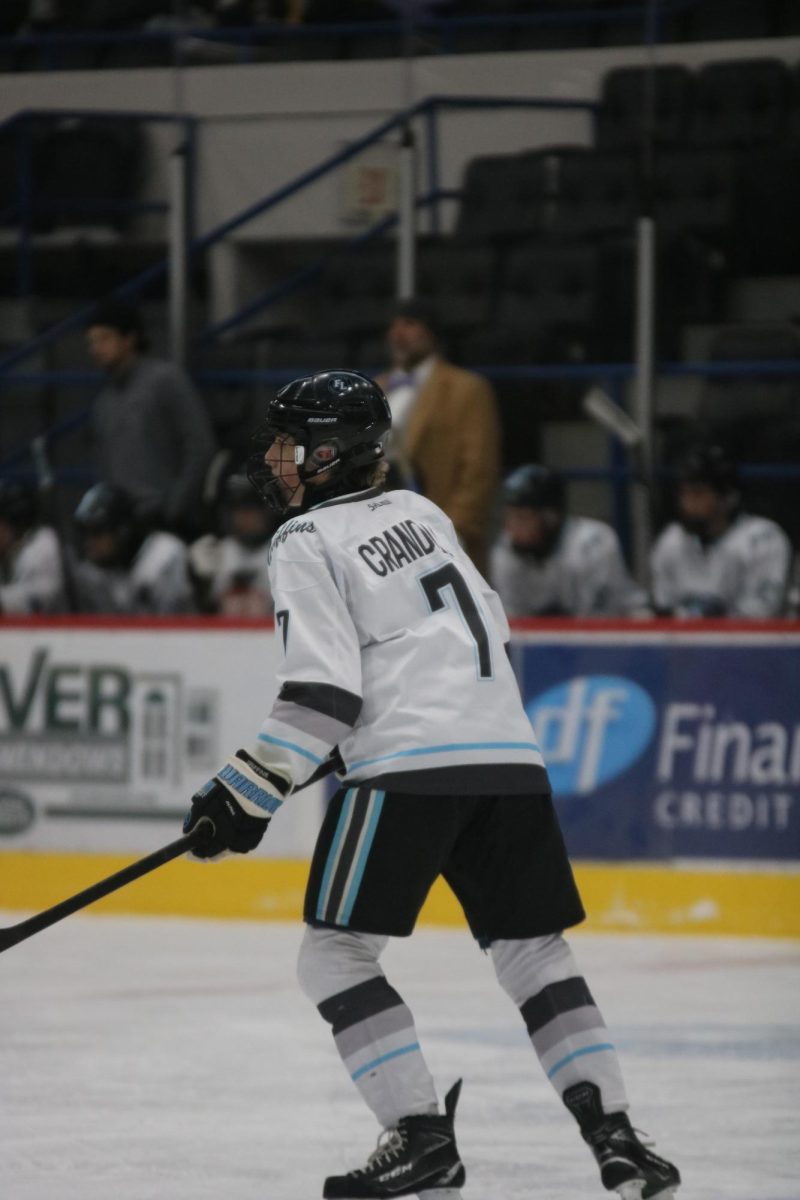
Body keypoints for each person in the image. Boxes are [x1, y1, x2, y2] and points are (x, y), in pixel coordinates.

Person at [182, 369, 681, 1200]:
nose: (275, 458)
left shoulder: (305, 542)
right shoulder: (424, 514)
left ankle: (420, 1139)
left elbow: (323, 695)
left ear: (333, 454)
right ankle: (618, 1137)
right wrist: (336, 751)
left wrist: (243, 792)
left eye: (291, 442)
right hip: (509, 758)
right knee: (535, 955)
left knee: (334, 955)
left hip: (409, 767)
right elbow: (467, 640)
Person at [377, 298, 501, 577]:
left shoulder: (467, 389)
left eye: (409, 324)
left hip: (441, 527)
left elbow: (478, 469)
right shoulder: (376, 387)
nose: (398, 334)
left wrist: (453, 529)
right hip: (381, 532)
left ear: (432, 333)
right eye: (393, 326)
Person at [86, 299, 217, 536]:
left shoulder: (165, 380)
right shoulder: (103, 401)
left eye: (104, 338)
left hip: (167, 519)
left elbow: (200, 446)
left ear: (129, 338)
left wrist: (174, 508)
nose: (96, 348)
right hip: (123, 525)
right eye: (92, 341)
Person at [650, 444, 793, 618]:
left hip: (751, 644)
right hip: (685, 643)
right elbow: (665, 610)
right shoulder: (671, 540)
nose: (687, 503)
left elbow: (763, 614)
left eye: (698, 493)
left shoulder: (762, 539)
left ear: (727, 497)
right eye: (684, 494)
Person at [490, 463, 650, 618]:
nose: (511, 527)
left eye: (522, 518)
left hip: (614, 634)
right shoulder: (504, 552)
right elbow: (512, 623)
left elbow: (598, 620)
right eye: (509, 516)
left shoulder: (593, 544)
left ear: (550, 517)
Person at [72, 482, 195, 614]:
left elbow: (172, 625)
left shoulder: (164, 555)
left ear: (122, 531)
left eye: (97, 533)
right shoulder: (91, 572)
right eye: (86, 534)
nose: (89, 543)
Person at [187, 472, 276, 615]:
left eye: (253, 510)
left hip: (270, 634)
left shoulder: (281, 551)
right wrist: (201, 584)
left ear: (267, 512)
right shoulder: (214, 552)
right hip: (219, 635)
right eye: (241, 510)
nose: (247, 518)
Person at [0, 480, 65, 614]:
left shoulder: (43, 546)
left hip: (65, 631)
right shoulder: (12, 552)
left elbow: (36, 601)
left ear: (16, 523)